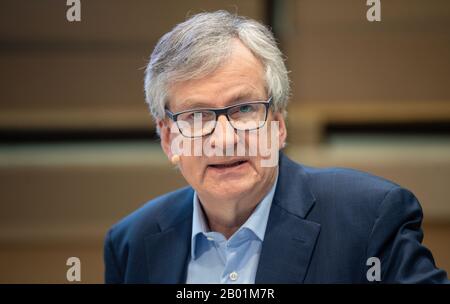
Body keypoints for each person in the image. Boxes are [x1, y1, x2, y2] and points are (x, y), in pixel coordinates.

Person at [104, 10, 448, 283]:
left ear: (279, 125)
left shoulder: (370, 218)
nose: (224, 140)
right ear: (168, 139)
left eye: (244, 109)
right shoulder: (131, 244)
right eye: (196, 116)